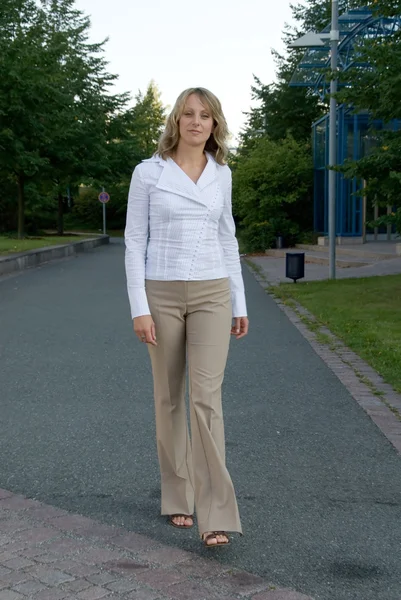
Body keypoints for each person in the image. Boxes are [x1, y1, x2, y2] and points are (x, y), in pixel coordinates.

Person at [124, 87, 249, 548]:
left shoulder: (222, 175)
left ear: (215, 124)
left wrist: (240, 302)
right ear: (176, 121)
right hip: (162, 291)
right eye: (188, 114)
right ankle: (179, 494)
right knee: (169, 397)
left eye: (206, 115)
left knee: (206, 398)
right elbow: (135, 242)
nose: (197, 122)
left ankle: (216, 513)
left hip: (213, 291)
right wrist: (139, 306)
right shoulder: (149, 173)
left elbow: (228, 238)